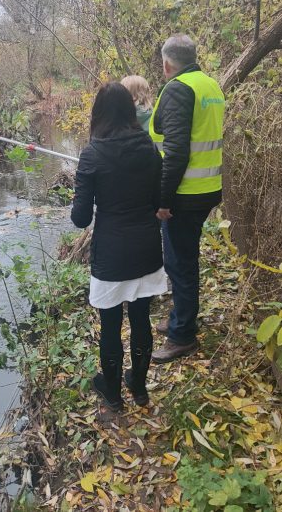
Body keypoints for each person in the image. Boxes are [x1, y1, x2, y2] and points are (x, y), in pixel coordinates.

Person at [71, 82, 165, 411]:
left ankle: (112, 395)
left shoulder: (92, 153)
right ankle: (138, 387)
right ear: (130, 111)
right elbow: (158, 201)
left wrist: (85, 185)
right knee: (141, 320)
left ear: (98, 114)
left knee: (110, 325)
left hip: (111, 254)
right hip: (147, 250)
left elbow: (80, 219)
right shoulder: (151, 149)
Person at [149, 34, 225, 363]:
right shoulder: (211, 86)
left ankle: (183, 336)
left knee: (180, 264)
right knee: (184, 259)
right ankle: (182, 318)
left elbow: (177, 151)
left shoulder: (179, 89)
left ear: (167, 64)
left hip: (184, 195)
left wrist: (163, 200)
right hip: (207, 189)